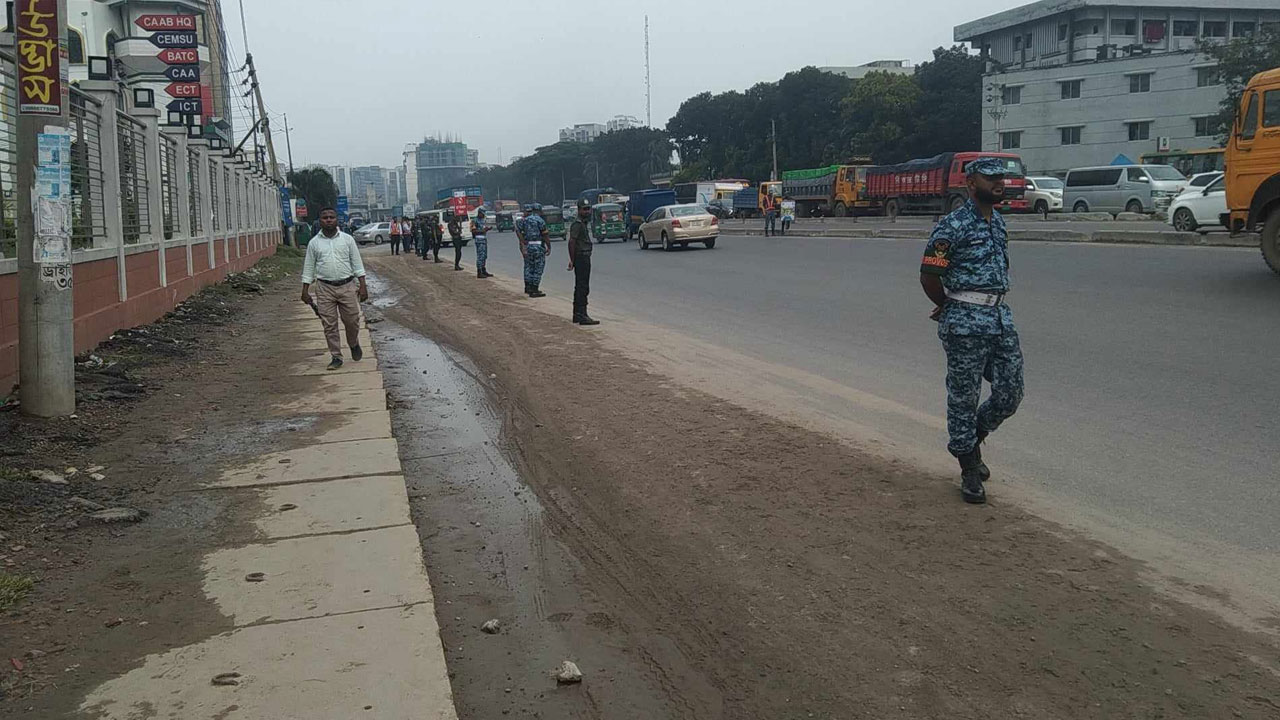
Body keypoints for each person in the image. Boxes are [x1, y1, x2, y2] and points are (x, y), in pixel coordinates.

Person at [919, 157, 1024, 505]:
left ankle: (973, 439)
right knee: (964, 397)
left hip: (998, 317)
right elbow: (929, 275)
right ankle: (968, 466)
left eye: (1001, 178)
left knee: (1011, 392)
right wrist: (949, 305)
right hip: (965, 321)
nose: (999, 183)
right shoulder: (952, 225)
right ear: (970, 184)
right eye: (989, 178)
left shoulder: (999, 223)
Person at [301, 208, 368, 371]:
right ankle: (336, 356)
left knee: (352, 320)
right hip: (324, 288)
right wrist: (305, 290)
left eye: (332, 217)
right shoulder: (314, 243)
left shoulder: (347, 240)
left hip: (347, 286)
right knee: (329, 324)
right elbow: (309, 267)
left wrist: (363, 285)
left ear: (337, 219)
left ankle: (353, 343)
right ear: (320, 221)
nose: (329, 220)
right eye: (325, 217)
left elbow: (357, 264)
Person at [567, 199, 598, 325]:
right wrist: (572, 260)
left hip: (583, 257)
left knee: (580, 285)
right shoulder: (577, 224)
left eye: (588, 209)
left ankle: (577, 314)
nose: (587, 211)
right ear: (579, 210)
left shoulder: (583, 223)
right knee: (583, 287)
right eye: (584, 209)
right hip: (581, 258)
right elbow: (571, 242)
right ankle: (582, 314)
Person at [520, 203, 549, 297]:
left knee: (529, 267)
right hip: (538, 246)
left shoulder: (525, 220)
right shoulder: (540, 220)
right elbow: (545, 234)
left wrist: (523, 242)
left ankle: (528, 287)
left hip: (529, 246)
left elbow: (519, 231)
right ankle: (534, 289)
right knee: (538, 268)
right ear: (540, 211)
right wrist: (549, 246)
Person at [472, 208, 493, 278]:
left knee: (484, 256)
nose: (483, 215)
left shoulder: (483, 220)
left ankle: (484, 270)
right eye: (482, 214)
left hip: (484, 239)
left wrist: (487, 229)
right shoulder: (474, 221)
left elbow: (484, 229)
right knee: (480, 256)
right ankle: (479, 271)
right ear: (479, 213)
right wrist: (483, 230)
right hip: (479, 240)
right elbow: (473, 231)